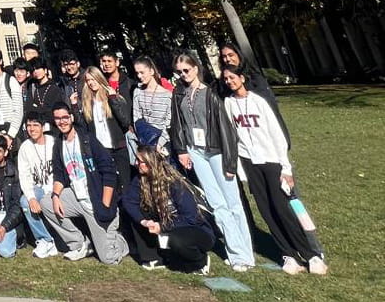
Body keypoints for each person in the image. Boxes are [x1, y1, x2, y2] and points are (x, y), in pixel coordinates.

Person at [221, 66, 327, 275]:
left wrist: (285, 168)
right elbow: (233, 136)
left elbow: (276, 135)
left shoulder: (259, 101)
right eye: (225, 79)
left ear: (242, 78)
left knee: (282, 208)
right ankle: (287, 254)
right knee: (266, 211)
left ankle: (310, 254)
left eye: (232, 77)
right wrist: (242, 169)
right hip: (250, 163)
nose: (229, 81)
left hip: (271, 161)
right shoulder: (228, 103)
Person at [169, 54, 255, 271]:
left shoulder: (211, 93)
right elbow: (177, 124)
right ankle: (236, 251)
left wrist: (230, 163)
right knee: (217, 203)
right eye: (179, 72)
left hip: (217, 151)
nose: (183, 75)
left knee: (233, 202)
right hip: (195, 152)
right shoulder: (179, 93)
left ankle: (245, 252)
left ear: (196, 68)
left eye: (186, 70)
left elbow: (226, 129)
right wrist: (182, 150)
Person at [41, 104, 128, 264]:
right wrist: (55, 196)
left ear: (72, 117)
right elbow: (59, 174)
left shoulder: (88, 139)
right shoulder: (59, 143)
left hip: (97, 200)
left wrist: (105, 205)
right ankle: (79, 244)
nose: (62, 122)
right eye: (58, 119)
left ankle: (119, 239)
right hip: (76, 196)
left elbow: (108, 172)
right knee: (46, 203)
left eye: (65, 117)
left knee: (108, 259)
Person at [122, 146, 215, 274]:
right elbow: (128, 201)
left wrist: (162, 226)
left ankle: (200, 261)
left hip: (195, 229)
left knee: (175, 240)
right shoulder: (140, 180)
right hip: (168, 224)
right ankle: (153, 257)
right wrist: (143, 221)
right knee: (136, 214)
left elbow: (190, 218)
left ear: (150, 163)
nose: (136, 163)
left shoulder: (174, 183)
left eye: (140, 161)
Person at [218, 43, 291, 148]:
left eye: (231, 55)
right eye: (224, 57)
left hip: (267, 137)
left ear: (238, 55)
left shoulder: (255, 79)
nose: (228, 59)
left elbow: (271, 109)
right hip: (245, 142)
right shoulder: (224, 84)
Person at [16, 113, 59, 258]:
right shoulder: (25, 147)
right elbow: (24, 176)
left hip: (56, 188)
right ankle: (45, 240)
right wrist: (31, 197)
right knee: (25, 202)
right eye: (28, 126)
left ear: (43, 127)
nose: (31, 129)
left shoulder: (54, 142)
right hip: (38, 188)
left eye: (35, 125)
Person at [132, 56, 173, 154]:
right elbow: (137, 118)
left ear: (151, 71)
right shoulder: (137, 92)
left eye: (142, 72)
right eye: (137, 73)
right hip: (145, 142)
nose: (139, 76)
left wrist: (159, 144)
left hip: (162, 144)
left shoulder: (167, 95)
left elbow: (168, 123)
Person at [24, 58, 62, 129]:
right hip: (37, 127)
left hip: (52, 128)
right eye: (33, 70)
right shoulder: (33, 87)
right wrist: (44, 110)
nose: (35, 71)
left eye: (38, 68)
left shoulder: (54, 88)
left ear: (45, 70)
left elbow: (54, 112)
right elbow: (29, 109)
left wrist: (37, 108)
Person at [98, 50, 136, 118]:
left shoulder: (129, 83)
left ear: (117, 62)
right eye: (104, 61)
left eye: (109, 61)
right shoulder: (101, 84)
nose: (106, 64)